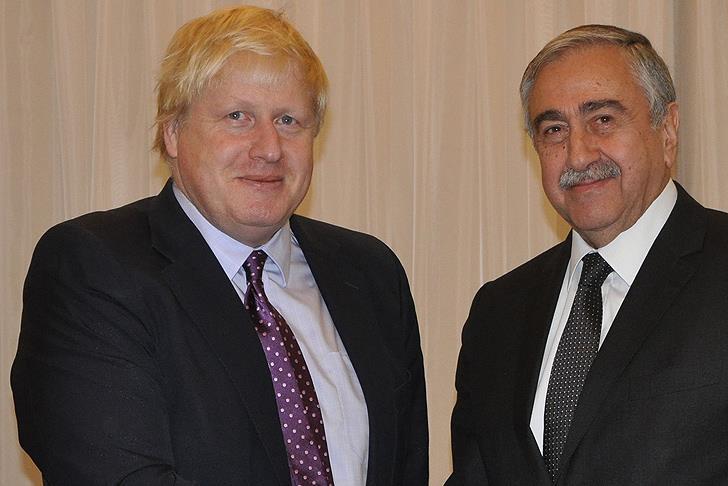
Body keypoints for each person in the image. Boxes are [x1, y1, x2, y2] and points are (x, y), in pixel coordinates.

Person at [11, 6, 427, 485]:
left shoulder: (371, 275)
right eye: (237, 117)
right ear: (172, 132)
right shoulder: (94, 268)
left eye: (289, 120)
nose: (269, 148)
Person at [448, 24, 728, 485]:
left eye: (603, 120)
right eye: (554, 130)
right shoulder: (497, 312)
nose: (578, 155)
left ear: (667, 129)